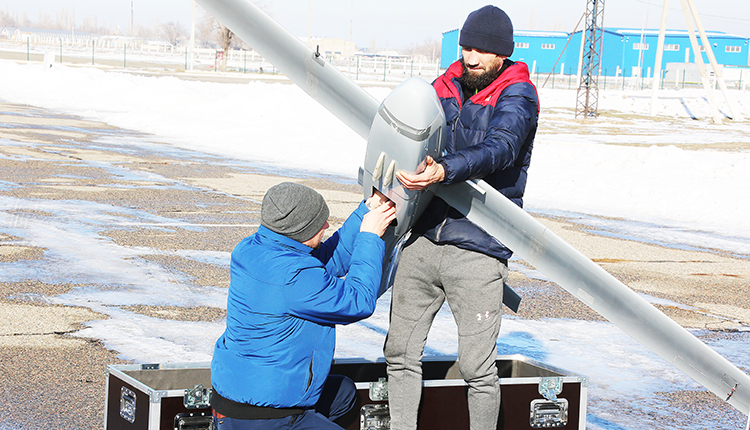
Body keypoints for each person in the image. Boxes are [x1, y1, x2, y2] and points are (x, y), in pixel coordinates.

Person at [384, 5, 540, 430]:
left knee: (476, 369)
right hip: (423, 238)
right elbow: (409, 131)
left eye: (481, 51)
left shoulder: (518, 94)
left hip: (477, 248)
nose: (470, 58)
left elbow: (502, 147)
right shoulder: (444, 84)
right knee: (398, 353)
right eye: (465, 47)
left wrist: (446, 169)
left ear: (502, 54)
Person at [211, 182, 396, 430]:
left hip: (240, 395)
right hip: (267, 416)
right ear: (300, 229)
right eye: (320, 223)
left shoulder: (254, 249)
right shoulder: (294, 276)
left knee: (343, 393)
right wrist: (370, 237)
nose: (327, 226)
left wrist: (368, 209)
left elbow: (327, 263)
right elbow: (358, 300)